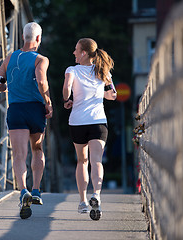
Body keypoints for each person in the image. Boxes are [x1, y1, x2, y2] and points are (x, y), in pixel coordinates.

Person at [0, 22, 53, 219]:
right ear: (38, 39)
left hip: (16, 109)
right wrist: (48, 102)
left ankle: (23, 191)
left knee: (19, 154)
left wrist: (10, 86)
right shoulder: (41, 59)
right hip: (35, 109)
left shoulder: (8, 59)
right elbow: (41, 80)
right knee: (37, 150)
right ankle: (36, 190)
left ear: (22, 37)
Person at [62, 38, 117, 221]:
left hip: (77, 122)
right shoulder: (103, 71)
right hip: (98, 122)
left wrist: (67, 98)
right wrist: (102, 87)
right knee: (97, 161)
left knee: (82, 161)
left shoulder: (72, 70)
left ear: (84, 53)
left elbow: (66, 89)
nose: (74, 53)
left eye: (76, 50)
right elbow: (112, 96)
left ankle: (83, 201)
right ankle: (97, 196)